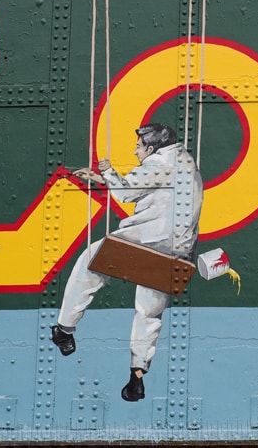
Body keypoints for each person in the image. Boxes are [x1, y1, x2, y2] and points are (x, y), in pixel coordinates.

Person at [53, 122, 202, 402]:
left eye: (138, 147)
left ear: (152, 146)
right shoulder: (186, 162)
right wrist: (100, 179)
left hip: (145, 242)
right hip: (178, 252)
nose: (135, 153)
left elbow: (125, 193)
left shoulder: (158, 162)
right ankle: (137, 377)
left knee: (89, 263)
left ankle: (64, 329)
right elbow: (152, 188)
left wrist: (107, 170)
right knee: (149, 312)